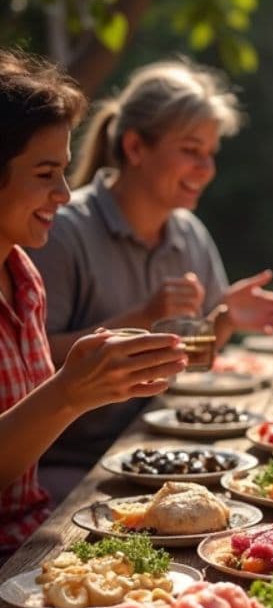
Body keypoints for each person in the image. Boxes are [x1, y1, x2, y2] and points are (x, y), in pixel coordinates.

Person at [31, 59, 273, 482]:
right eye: (191, 151)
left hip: (163, 444)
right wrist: (143, 317)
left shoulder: (188, 232)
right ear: (135, 147)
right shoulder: (61, 229)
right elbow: (32, 361)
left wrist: (224, 320)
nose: (206, 169)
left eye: (210, 153)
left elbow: (194, 359)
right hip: (73, 465)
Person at [0, 50, 187, 556]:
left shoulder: (23, 276)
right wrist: (69, 394)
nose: (63, 193)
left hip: (34, 534)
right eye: (44, 174)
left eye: (63, 172)